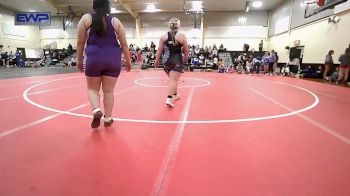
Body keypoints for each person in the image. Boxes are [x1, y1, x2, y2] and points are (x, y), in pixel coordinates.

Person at [76, 0, 132, 128]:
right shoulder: (115, 21)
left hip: (93, 58)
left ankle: (96, 110)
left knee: (92, 89)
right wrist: (128, 62)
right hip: (113, 59)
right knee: (109, 91)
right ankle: (108, 118)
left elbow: (80, 42)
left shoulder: (86, 19)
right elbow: (124, 44)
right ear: (108, 6)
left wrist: (79, 60)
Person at [155, 18, 189, 107]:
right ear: (178, 25)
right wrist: (185, 58)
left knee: (172, 80)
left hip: (165, 61)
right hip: (176, 60)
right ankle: (169, 99)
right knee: (173, 80)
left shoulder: (163, 36)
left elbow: (159, 49)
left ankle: (176, 94)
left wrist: (156, 60)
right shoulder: (181, 36)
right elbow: (186, 50)